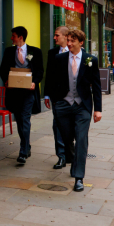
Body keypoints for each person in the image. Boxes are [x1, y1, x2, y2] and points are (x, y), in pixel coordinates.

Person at [44, 30, 102, 192]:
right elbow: (52, 79)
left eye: (72, 41)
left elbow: (96, 86)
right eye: (68, 40)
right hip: (63, 104)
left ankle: (78, 177)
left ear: (81, 43)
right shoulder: (59, 58)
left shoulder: (91, 60)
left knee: (81, 139)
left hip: (82, 106)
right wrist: (53, 99)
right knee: (67, 137)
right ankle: (71, 158)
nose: (69, 44)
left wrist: (98, 109)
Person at [0, 26, 44, 165]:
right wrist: (6, 81)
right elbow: (2, 70)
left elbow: (40, 71)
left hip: (28, 92)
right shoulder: (9, 51)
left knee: (25, 119)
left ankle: (22, 152)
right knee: (19, 120)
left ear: (20, 37)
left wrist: (35, 83)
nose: (11, 38)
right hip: (14, 92)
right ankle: (27, 145)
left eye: (13, 36)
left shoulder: (35, 51)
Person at [45, 26, 69, 169]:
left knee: (71, 126)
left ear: (65, 37)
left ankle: (70, 153)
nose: (54, 38)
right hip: (56, 97)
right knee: (57, 125)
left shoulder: (75, 52)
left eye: (57, 35)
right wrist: (47, 94)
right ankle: (61, 156)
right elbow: (49, 74)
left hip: (72, 97)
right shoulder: (52, 53)